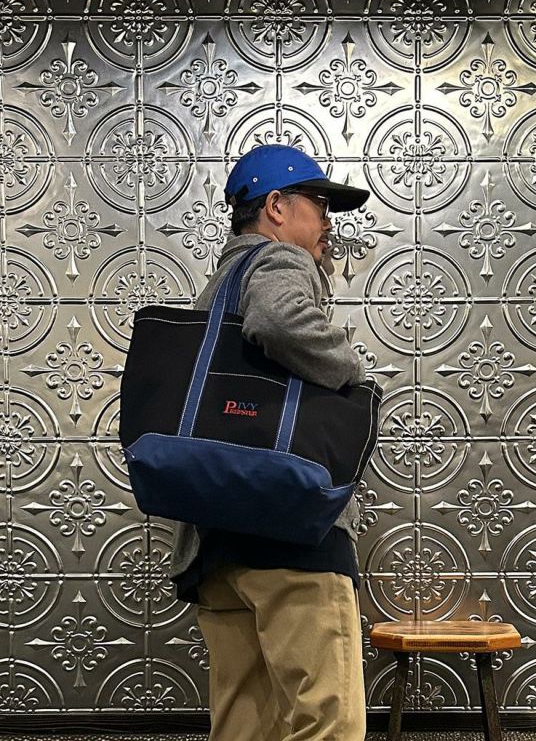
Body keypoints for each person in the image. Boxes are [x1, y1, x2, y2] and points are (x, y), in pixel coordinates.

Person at [169, 144, 371, 741]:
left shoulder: (219, 285)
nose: (328, 222)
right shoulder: (279, 259)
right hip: (289, 532)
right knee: (326, 723)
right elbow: (278, 321)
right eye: (319, 204)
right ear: (277, 207)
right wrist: (355, 376)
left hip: (217, 543)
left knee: (243, 726)